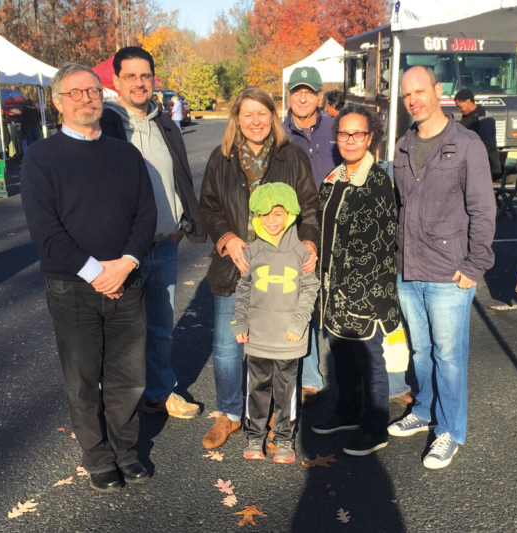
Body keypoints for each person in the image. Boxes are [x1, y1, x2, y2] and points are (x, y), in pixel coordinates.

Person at [21, 62, 157, 492]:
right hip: (72, 287)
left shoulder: (126, 155)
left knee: (128, 376)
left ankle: (126, 451)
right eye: (75, 92)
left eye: (93, 91)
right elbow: (46, 230)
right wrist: (98, 272)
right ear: (57, 102)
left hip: (126, 282)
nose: (86, 99)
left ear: (103, 97)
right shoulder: (40, 158)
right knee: (82, 379)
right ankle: (98, 457)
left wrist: (126, 263)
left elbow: (146, 216)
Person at [199, 86, 320, 450]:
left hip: (281, 270)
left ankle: (275, 418)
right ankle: (231, 414)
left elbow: (309, 206)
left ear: (273, 116)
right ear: (237, 119)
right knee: (227, 346)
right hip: (235, 266)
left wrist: (309, 242)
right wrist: (226, 238)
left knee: (277, 348)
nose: (255, 121)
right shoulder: (221, 158)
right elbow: (208, 207)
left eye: (262, 114)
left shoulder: (291, 156)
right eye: (247, 114)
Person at [388, 66, 495, 469]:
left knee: (449, 355)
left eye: (419, 91)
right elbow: (400, 206)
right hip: (409, 269)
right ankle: (425, 409)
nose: (413, 100)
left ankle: (450, 430)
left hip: (450, 272)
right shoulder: (403, 146)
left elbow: (483, 209)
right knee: (421, 349)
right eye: (406, 95)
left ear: (437, 91)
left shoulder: (466, 144)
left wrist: (476, 263)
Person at [100, 46, 206, 421]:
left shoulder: (165, 124)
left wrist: (182, 224)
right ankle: (117, 405)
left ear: (153, 80)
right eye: (130, 76)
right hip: (122, 250)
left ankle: (159, 392)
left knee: (161, 328)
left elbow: (181, 177)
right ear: (117, 81)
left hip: (164, 245)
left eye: (145, 75)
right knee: (120, 331)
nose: (139, 82)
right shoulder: (106, 126)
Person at [310, 104, 400, 457]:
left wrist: (351, 290)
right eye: (344, 133)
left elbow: (377, 245)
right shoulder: (334, 179)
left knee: (369, 360)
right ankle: (347, 412)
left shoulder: (377, 182)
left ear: (370, 137)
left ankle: (375, 427)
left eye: (357, 133)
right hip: (333, 290)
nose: (350, 140)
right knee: (342, 356)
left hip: (364, 293)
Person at [232, 183, 320, 464]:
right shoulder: (251, 252)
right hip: (258, 337)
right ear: (256, 217)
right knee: (256, 388)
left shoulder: (302, 253)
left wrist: (298, 324)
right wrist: (240, 323)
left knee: (286, 390)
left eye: (278, 214)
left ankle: (284, 439)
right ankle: (254, 436)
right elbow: (243, 289)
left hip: (288, 338)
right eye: (265, 214)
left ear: (290, 214)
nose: (271, 221)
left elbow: (310, 289)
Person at [282, 66, 342, 405]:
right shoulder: (278, 133)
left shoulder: (337, 128)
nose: (302, 98)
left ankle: (345, 374)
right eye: (297, 91)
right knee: (301, 303)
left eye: (309, 91)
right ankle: (309, 378)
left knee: (337, 302)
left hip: (335, 228)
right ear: (289, 95)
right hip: (296, 231)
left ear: (320, 95)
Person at [454, 89, 501, 176]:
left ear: (468, 101)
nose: (459, 110)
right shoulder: (467, 116)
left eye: (459, 106)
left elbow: (487, 145)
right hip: (470, 163)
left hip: (484, 165)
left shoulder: (484, 118)